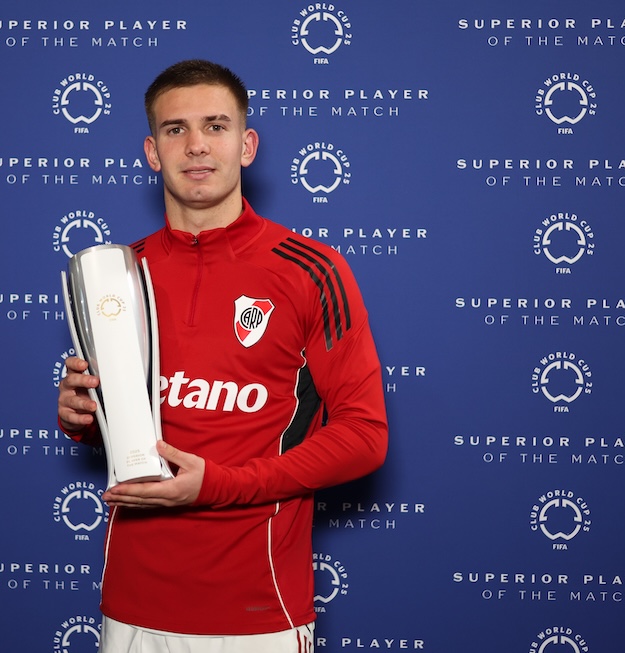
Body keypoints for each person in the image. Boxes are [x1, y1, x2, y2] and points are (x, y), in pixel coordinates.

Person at [58, 59, 388, 652]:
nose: (196, 145)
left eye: (215, 125)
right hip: (131, 606)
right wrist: (82, 415)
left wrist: (219, 484)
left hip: (256, 612)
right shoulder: (118, 277)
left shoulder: (312, 270)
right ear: (152, 152)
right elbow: (124, 426)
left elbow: (364, 436)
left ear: (247, 144)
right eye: (175, 129)